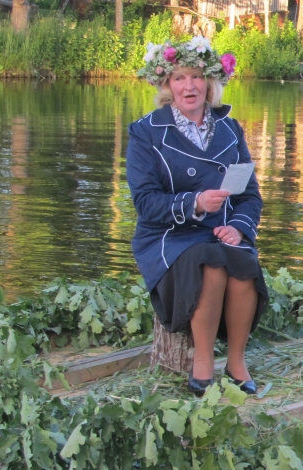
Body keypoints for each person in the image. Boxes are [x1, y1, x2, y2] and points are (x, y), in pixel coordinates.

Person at [126, 37, 265, 397]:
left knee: (243, 265)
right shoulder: (146, 132)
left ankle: (236, 361)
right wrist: (196, 203)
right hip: (168, 237)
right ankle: (203, 362)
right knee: (212, 264)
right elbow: (145, 203)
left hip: (218, 232)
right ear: (166, 85)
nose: (189, 86)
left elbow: (249, 195)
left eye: (196, 77)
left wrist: (237, 228)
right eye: (179, 78)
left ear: (210, 82)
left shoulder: (231, 130)